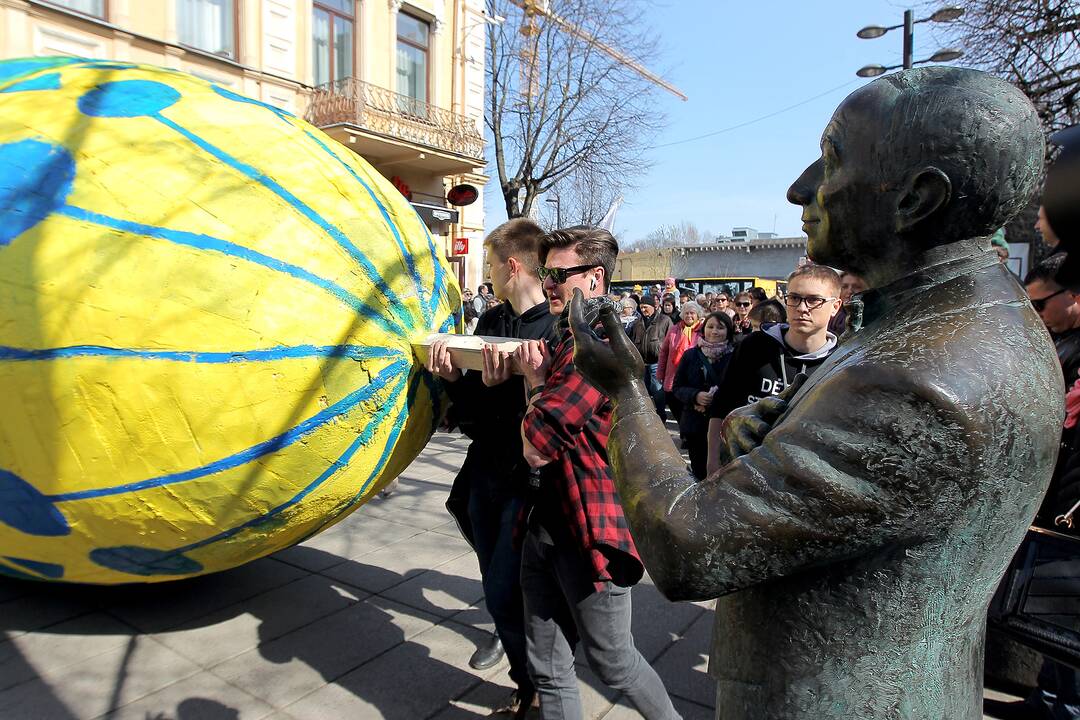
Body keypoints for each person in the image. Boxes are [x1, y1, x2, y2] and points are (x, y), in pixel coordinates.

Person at [568, 67, 1061, 719]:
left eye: (832, 159)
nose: (801, 187)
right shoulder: (951, 320)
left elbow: (687, 548)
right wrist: (774, 427)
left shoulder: (919, 378)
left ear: (917, 199)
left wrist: (626, 389)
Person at [512, 226, 681, 720]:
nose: (548, 285)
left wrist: (534, 383)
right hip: (544, 525)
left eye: (559, 274)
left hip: (589, 534)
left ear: (596, 278)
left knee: (614, 663)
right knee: (547, 664)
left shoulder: (601, 346)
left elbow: (537, 445)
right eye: (545, 273)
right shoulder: (565, 338)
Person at [427, 218, 556, 718]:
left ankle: (532, 687)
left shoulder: (553, 329)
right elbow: (474, 415)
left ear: (512, 264)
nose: (489, 274)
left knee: (505, 590)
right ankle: (523, 655)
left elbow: (556, 419)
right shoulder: (491, 324)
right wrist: (456, 377)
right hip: (484, 472)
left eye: (491, 263)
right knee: (497, 582)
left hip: (525, 480)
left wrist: (526, 384)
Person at [705, 265, 841, 475]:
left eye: (814, 300)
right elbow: (722, 405)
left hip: (801, 480)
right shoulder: (754, 345)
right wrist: (713, 464)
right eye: (794, 298)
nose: (802, 308)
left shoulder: (840, 362)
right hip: (741, 471)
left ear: (835, 306)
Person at [672, 311, 734, 479]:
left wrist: (715, 402)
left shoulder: (735, 356)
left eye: (720, 328)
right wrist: (695, 396)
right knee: (699, 472)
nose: (714, 331)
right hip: (696, 425)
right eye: (710, 326)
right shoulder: (690, 355)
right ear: (703, 329)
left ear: (728, 331)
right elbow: (677, 387)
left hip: (725, 427)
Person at [1025, 253, 1080, 387]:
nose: (1036, 314)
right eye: (1030, 306)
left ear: (1072, 294)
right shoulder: (1047, 333)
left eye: (1038, 305)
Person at [657, 301, 704, 433]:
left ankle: (686, 434)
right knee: (675, 406)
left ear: (698, 315)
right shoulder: (674, 329)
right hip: (673, 377)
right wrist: (660, 373)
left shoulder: (703, 329)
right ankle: (684, 431)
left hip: (693, 379)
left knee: (689, 410)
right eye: (686, 313)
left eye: (692, 313)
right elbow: (664, 352)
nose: (689, 315)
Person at [635, 294, 673, 421]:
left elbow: (671, 342)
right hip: (642, 363)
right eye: (641, 308)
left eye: (645, 307)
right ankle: (647, 416)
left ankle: (661, 414)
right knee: (643, 392)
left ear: (653, 306)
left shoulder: (664, 320)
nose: (643, 310)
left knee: (657, 391)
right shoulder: (637, 323)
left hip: (657, 362)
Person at [828, 271, 868, 336]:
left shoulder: (871, 313)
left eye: (856, 286)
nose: (850, 291)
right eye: (845, 286)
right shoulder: (830, 316)